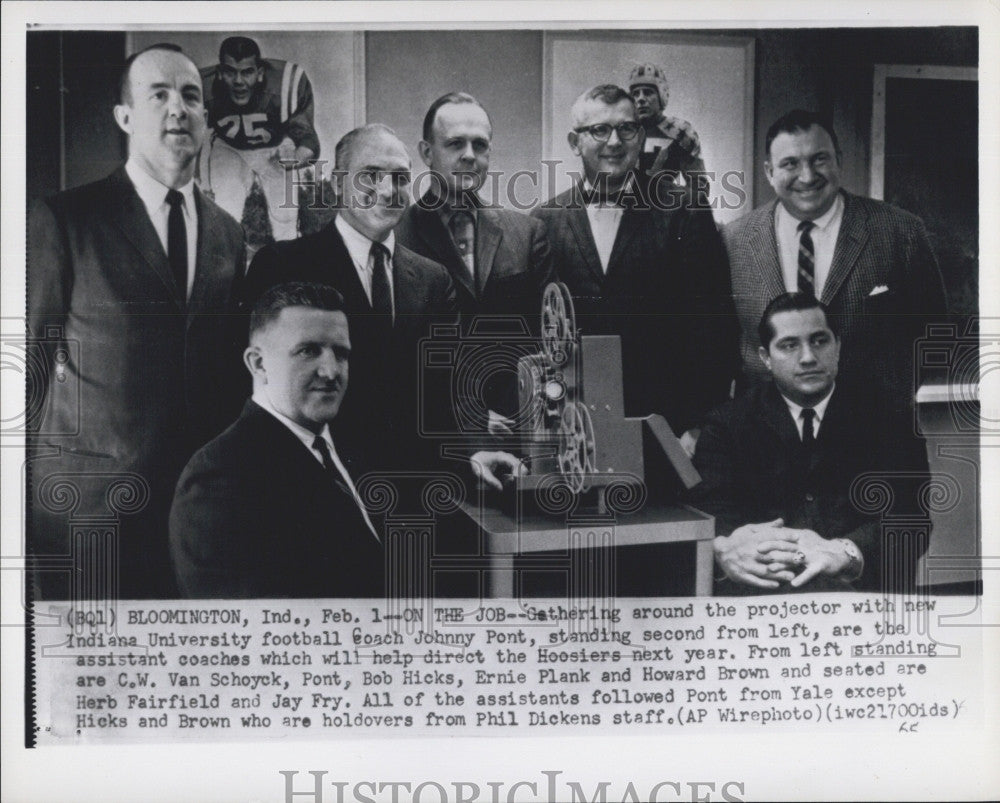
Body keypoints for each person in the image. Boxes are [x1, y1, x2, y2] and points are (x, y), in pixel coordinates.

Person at [27, 44, 246, 600]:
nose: (179, 108)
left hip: (194, 513)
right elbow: (25, 364)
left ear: (205, 118)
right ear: (124, 117)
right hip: (89, 515)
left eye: (192, 96)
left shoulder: (228, 234)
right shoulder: (66, 219)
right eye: (160, 95)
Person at [243, 123, 458, 476]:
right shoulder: (282, 265)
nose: (389, 190)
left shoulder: (434, 280)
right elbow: (254, 390)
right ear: (339, 183)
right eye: (371, 175)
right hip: (310, 483)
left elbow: (442, 395)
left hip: (413, 487)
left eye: (401, 178)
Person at [532, 84, 737, 451]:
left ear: (640, 137)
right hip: (574, 432)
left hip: (667, 432)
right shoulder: (544, 220)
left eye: (626, 129)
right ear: (574, 142)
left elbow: (713, 326)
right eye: (599, 130)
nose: (614, 141)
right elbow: (539, 333)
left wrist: (697, 427)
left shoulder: (683, 210)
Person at [689, 293, 931, 594]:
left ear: (838, 347)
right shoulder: (726, 424)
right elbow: (712, 516)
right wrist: (726, 547)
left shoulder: (889, 416)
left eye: (819, 341)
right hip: (762, 597)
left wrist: (847, 552)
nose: (807, 357)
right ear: (765, 357)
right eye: (789, 345)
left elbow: (912, 521)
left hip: (862, 594)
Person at [724, 109, 947, 414]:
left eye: (819, 159)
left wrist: (891, 405)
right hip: (765, 437)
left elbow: (934, 336)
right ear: (769, 172)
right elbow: (718, 346)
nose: (807, 176)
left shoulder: (899, 231)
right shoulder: (734, 241)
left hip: (873, 432)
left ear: (838, 159)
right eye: (790, 163)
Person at [170, 283, 385, 598]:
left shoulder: (349, 449)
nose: (331, 371)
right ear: (258, 363)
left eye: (341, 353)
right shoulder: (218, 478)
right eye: (307, 350)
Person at [395, 92, 555, 429]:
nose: (470, 156)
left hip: (518, 428)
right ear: (427, 153)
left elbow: (545, 343)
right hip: (429, 432)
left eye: (480, 145)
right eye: (455, 144)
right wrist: (467, 415)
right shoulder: (395, 236)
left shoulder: (527, 233)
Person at [200, 36, 320, 243]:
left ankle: (287, 272)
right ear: (220, 73)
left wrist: (294, 158)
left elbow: (306, 136)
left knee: (286, 219)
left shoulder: (285, 85)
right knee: (226, 214)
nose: (238, 81)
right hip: (230, 148)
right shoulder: (201, 86)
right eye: (230, 72)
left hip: (274, 149)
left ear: (260, 73)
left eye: (247, 72)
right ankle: (227, 271)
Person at [627, 63, 706, 187]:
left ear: (661, 95)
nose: (640, 99)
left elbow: (698, 187)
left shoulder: (680, 131)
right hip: (624, 203)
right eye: (635, 94)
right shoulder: (621, 132)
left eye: (648, 92)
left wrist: (673, 200)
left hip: (662, 203)